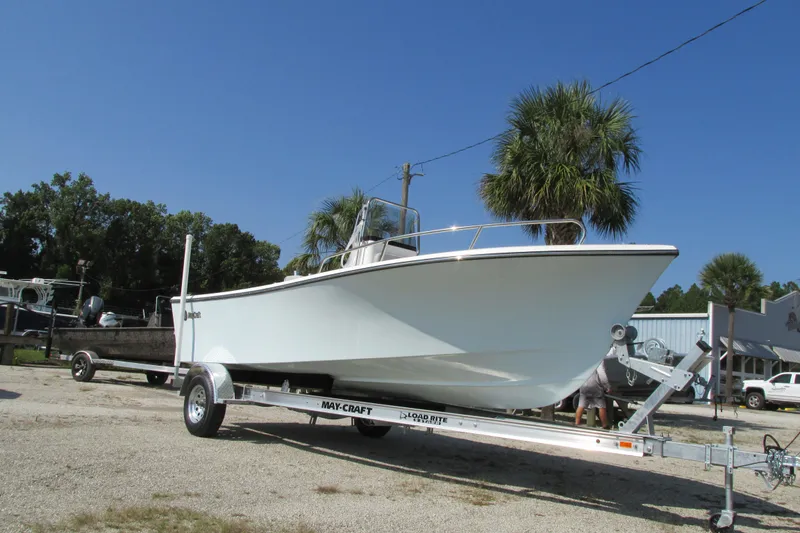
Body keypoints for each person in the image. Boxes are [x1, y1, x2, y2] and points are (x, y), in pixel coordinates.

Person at [575, 359, 612, 429]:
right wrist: (607, 386)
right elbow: (602, 373)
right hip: (595, 385)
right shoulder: (599, 359)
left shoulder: (584, 359)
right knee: (601, 406)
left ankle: (577, 423)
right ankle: (605, 425)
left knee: (581, 405)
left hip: (584, 384)